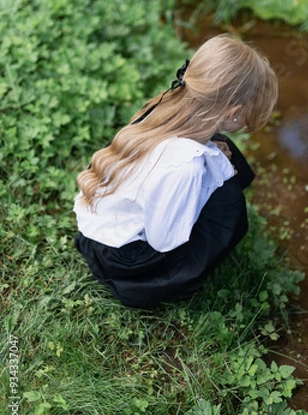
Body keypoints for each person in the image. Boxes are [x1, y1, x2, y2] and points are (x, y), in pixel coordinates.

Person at [73, 34, 278, 308]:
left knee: (222, 153)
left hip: (100, 226)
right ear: (235, 113)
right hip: (122, 259)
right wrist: (208, 187)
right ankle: (165, 284)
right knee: (227, 199)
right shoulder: (185, 166)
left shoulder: (168, 105)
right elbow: (163, 240)